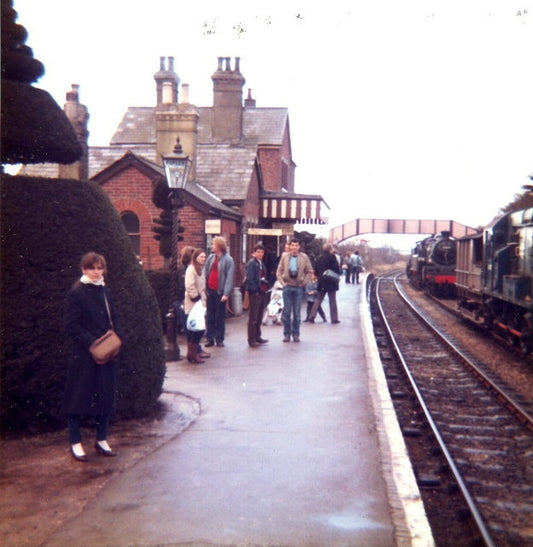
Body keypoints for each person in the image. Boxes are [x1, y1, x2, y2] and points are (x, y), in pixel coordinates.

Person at [62, 252, 121, 462]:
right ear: (84, 269)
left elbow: (114, 318)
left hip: (106, 353)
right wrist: (92, 343)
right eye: (92, 268)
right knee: (78, 398)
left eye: (100, 268)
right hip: (85, 355)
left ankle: (102, 439)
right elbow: (71, 326)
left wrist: (115, 341)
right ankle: (75, 442)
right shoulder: (77, 293)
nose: (97, 272)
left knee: (105, 396)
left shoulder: (105, 291)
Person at [276, 238, 313, 342]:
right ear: (290, 246)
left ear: (299, 247)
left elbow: (309, 271)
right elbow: (279, 271)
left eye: (296, 246)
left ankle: (296, 334)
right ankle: (286, 334)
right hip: (287, 286)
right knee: (287, 312)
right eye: (292, 245)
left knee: (297, 313)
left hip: (298, 287)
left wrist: (304, 283)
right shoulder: (284, 256)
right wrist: (282, 283)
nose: (294, 248)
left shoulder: (304, 257)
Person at [204, 236, 235, 347]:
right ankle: (210, 338)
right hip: (210, 290)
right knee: (210, 315)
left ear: (219, 247)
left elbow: (229, 278)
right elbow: (205, 272)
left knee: (220, 316)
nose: (212, 246)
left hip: (220, 292)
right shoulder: (211, 258)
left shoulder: (228, 260)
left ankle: (219, 338)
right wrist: (204, 287)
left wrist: (226, 293)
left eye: (214, 244)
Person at [308, 243, 341, 324]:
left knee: (318, 299)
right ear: (330, 249)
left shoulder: (319, 258)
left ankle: (312, 316)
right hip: (331, 281)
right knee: (332, 300)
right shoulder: (332, 257)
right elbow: (337, 269)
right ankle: (334, 319)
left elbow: (316, 270)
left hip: (322, 282)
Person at [245, 243, 270, 347]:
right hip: (255, 293)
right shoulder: (252, 263)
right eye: (258, 252)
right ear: (254, 253)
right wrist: (255, 291)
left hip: (262, 292)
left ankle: (258, 336)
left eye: (262, 252)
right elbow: (250, 279)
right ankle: (251, 339)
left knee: (259, 316)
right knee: (253, 317)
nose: (260, 254)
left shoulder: (260, 263)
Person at [184, 249, 208, 363]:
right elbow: (189, 285)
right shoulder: (191, 269)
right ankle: (192, 354)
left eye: (204, 257)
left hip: (200, 304)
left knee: (199, 329)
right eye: (201, 257)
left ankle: (194, 353)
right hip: (193, 303)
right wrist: (195, 297)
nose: (203, 259)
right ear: (195, 257)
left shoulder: (200, 269)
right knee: (195, 329)